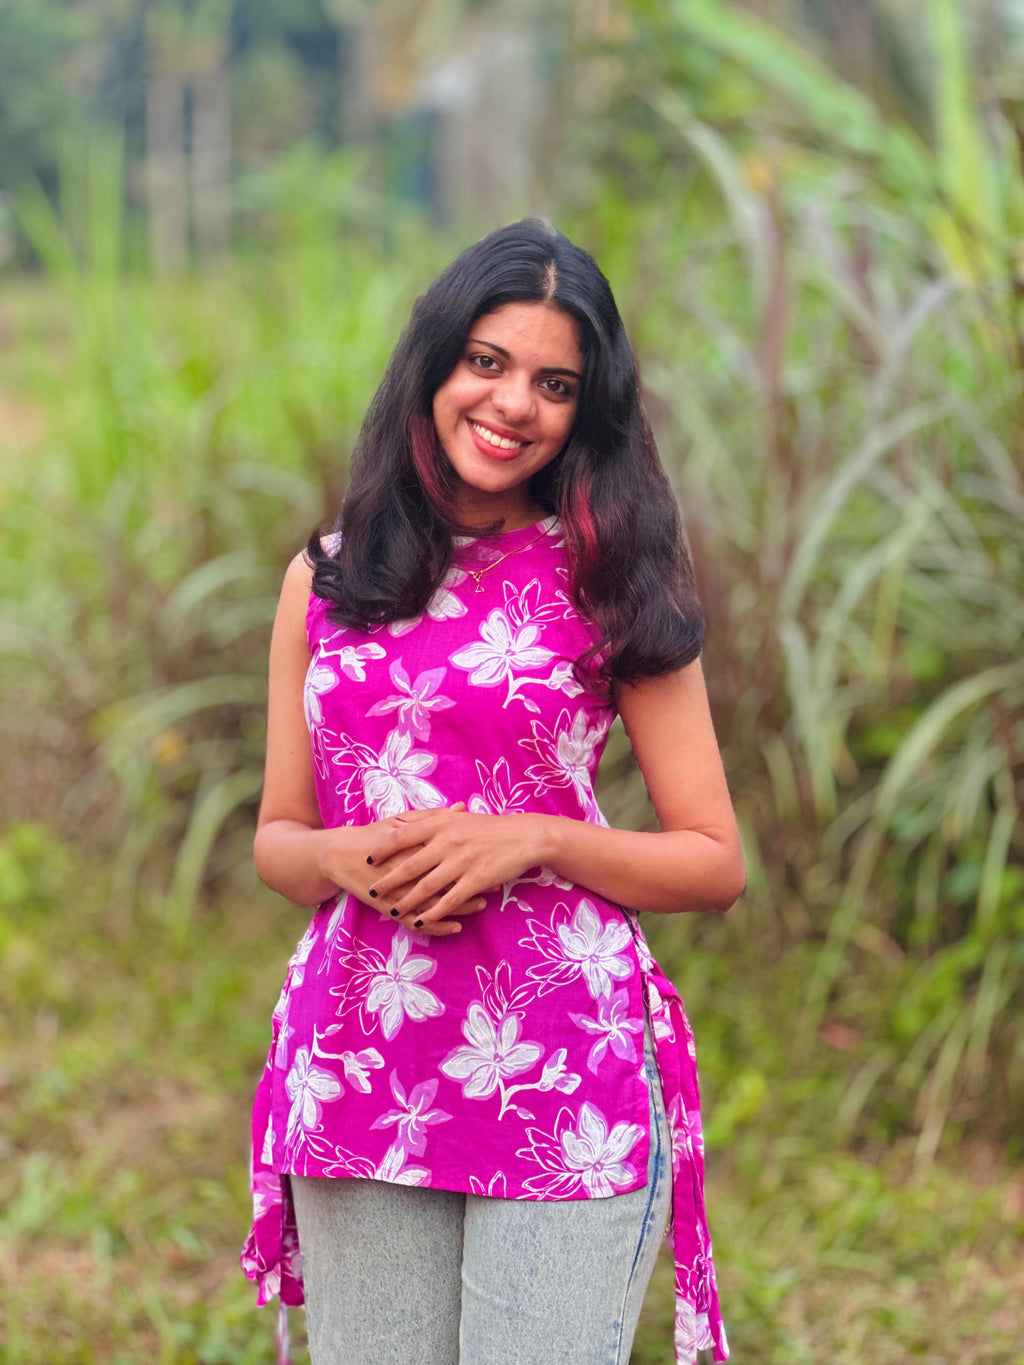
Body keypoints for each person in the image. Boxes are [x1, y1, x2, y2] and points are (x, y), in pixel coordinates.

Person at [241, 219, 745, 1365]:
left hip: (563, 1065)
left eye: (554, 383)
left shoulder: (607, 580)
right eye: (488, 362)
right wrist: (336, 861)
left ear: (587, 411)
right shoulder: (323, 580)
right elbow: (280, 834)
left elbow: (713, 858)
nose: (513, 403)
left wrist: (533, 839)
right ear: (434, 367)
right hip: (363, 1050)